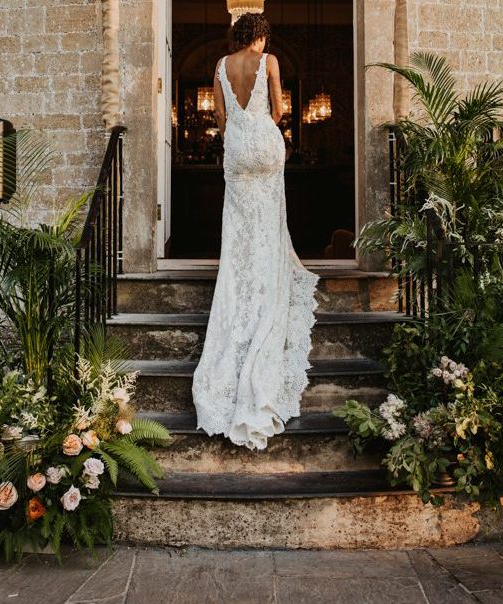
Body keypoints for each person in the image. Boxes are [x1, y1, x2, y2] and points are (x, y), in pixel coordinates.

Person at [192, 13, 318, 450]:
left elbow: (222, 117)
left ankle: (241, 288)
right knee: (268, 225)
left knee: (240, 232)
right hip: (265, 144)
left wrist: (238, 136)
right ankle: (268, 285)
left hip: (237, 150)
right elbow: (281, 109)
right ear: (260, 36)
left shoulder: (220, 66)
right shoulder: (270, 60)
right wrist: (266, 123)